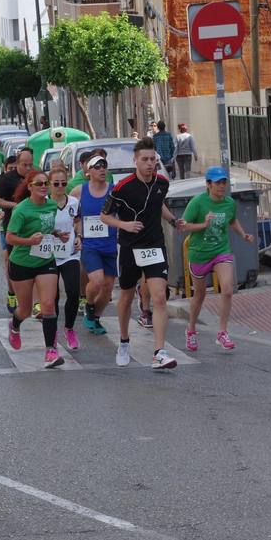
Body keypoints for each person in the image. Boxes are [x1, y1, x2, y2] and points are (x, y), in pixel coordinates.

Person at [102, 138, 178, 369]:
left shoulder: (162, 182)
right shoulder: (122, 187)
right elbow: (105, 216)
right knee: (125, 297)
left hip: (154, 245)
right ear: (135, 160)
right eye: (144, 159)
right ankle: (124, 341)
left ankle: (159, 352)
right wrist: (125, 225)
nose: (149, 163)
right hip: (130, 247)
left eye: (153, 159)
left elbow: (159, 204)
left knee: (159, 297)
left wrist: (174, 220)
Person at [182, 167, 255, 352]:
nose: (222, 186)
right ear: (208, 185)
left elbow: (232, 221)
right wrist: (204, 224)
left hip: (221, 251)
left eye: (224, 182)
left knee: (228, 289)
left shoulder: (229, 203)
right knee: (199, 295)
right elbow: (183, 226)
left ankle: (222, 332)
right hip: (199, 254)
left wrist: (243, 234)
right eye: (218, 183)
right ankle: (191, 330)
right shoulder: (197, 203)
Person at [5, 170, 65, 368]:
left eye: (45, 183)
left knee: (48, 304)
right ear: (29, 186)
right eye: (38, 183)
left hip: (45, 261)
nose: (42, 186)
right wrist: (29, 241)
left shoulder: (51, 205)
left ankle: (51, 351)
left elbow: (46, 228)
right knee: (25, 310)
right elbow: (10, 237)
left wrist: (57, 234)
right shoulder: (21, 210)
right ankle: (14, 325)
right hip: (21, 263)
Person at [76, 154, 117, 335]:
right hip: (90, 245)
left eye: (104, 166)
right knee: (97, 280)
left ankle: (95, 317)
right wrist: (76, 233)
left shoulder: (115, 191)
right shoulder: (79, 191)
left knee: (108, 288)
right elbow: (72, 215)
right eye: (97, 166)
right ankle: (89, 304)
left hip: (109, 244)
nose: (102, 169)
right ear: (88, 171)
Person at [0, 148, 34, 313]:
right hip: (14, 227)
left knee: (36, 262)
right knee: (13, 262)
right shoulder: (8, 179)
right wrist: (15, 206)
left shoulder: (35, 177)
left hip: (33, 227)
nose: (28, 168)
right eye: (24, 165)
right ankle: (12, 293)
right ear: (17, 163)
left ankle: (33, 298)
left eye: (30, 164)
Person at [48, 165, 83, 353]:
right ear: (49, 184)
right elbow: (39, 226)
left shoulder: (73, 202)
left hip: (70, 254)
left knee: (73, 293)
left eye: (63, 183)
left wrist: (78, 237)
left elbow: (77, 222)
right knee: (53, 297)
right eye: (56, 183)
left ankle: (69, 328)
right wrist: (54, 233)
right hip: (50, 255)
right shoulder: (44, 203)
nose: (60, 186)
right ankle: (51, 334)